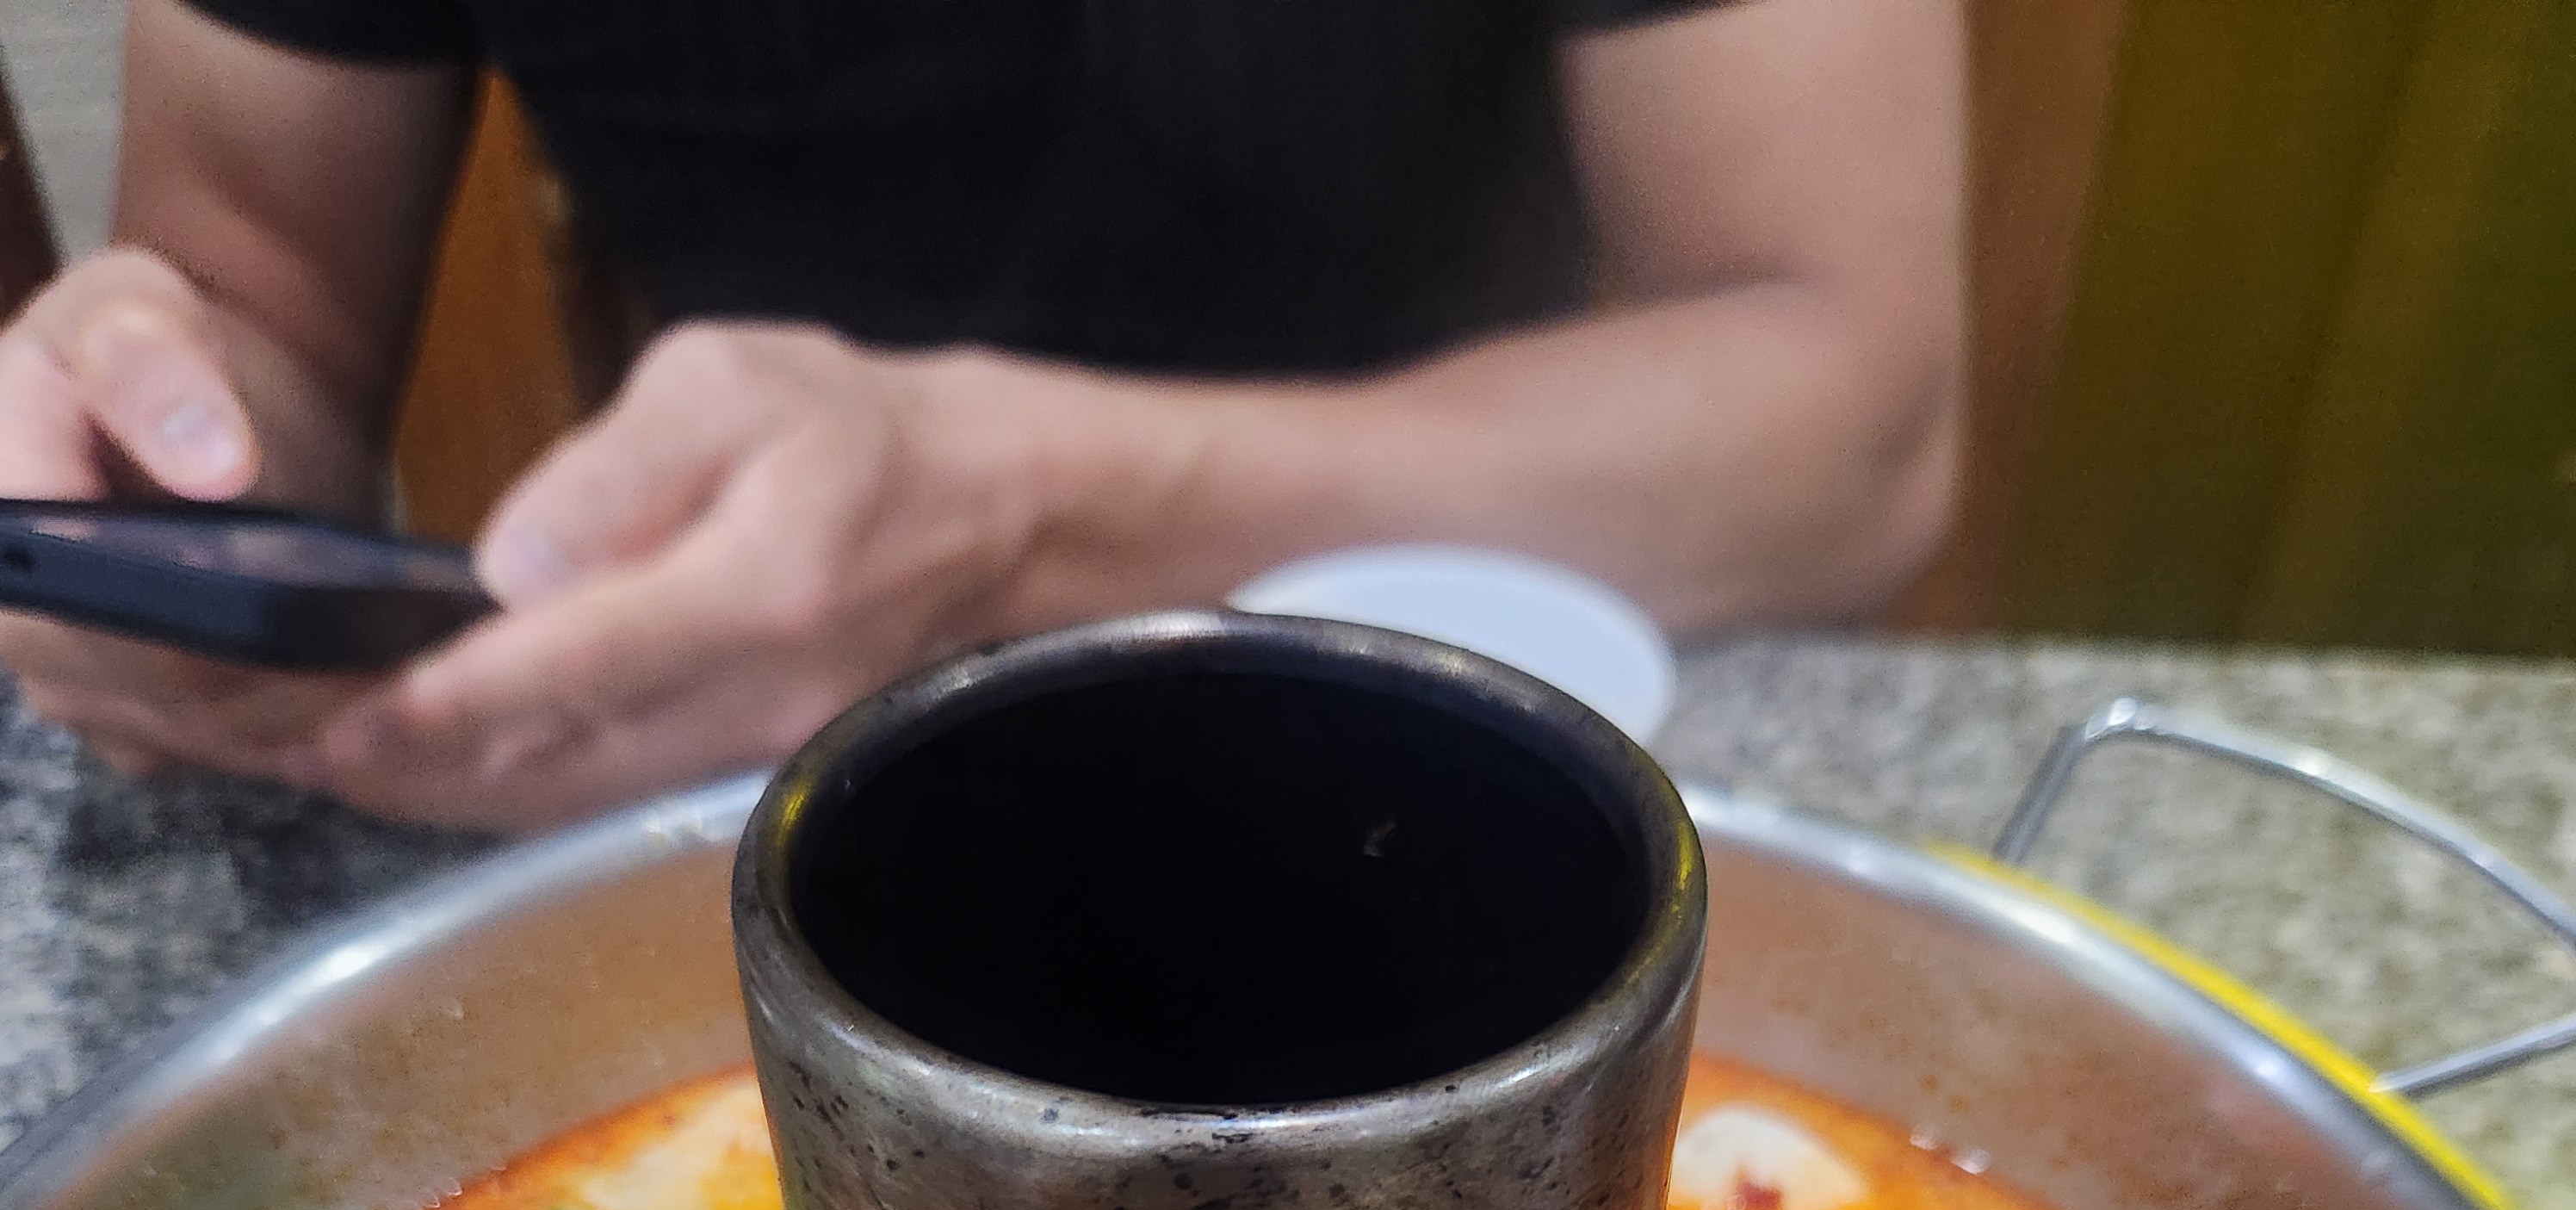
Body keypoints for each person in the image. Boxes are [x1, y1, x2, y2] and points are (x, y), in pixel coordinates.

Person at [0, 0, 1962, 832]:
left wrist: (1019, 510)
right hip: (717, 796)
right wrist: (149, 472)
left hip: (1443, 709)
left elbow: (1845, 410)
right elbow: (255, 304)